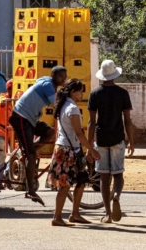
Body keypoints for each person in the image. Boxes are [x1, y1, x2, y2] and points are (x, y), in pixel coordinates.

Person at [10, 64, 68, 201]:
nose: (63, 79)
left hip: (30, 119)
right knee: (31, 156)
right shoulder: (48, 85)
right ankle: (30, 190)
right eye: (60, 76)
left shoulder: (45, 81)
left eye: (65, 77)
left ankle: (29, 152)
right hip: (22, 117)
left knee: (50, 132)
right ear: (53, 75)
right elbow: (57, 104)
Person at [87, 58, 135, 224]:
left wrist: (89, 146)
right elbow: (127, 121)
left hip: (101, 139)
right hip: (117, 138)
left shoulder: (94, 94)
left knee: (104, 177)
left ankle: (108, 214)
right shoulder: (123, 93)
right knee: (118, 174)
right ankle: (116, 196)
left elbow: (92, 122)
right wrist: (131, 141)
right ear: (115, 75)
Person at [49, 79, 101, 227]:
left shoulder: (63, 105)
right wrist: (92, 150)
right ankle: (57, 217)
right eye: (80, 91)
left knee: (81, 181)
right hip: (68, 150)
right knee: (65, 185)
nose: (82, 94)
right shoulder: (72, 108)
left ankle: (75, 214)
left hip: (66, 148)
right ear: (73, 92)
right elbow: (79, 133)